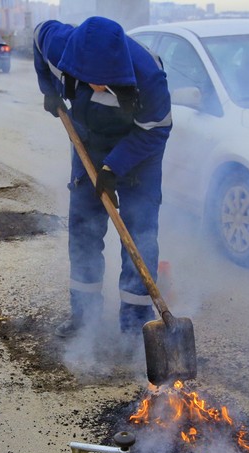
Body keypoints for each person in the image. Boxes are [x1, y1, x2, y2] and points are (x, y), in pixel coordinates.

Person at [34, 17, 172, 339]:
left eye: (104, 80)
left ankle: (136, 325)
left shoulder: (148, 76)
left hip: (138, 152)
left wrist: (114, 167)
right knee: (83, 229)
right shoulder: (60, 45)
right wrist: (48, 90)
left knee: (139, 234)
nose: (97, 85)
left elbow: (158, 130)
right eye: (90, 79)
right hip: (87, 142)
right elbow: (39, 38)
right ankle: (84, 318)